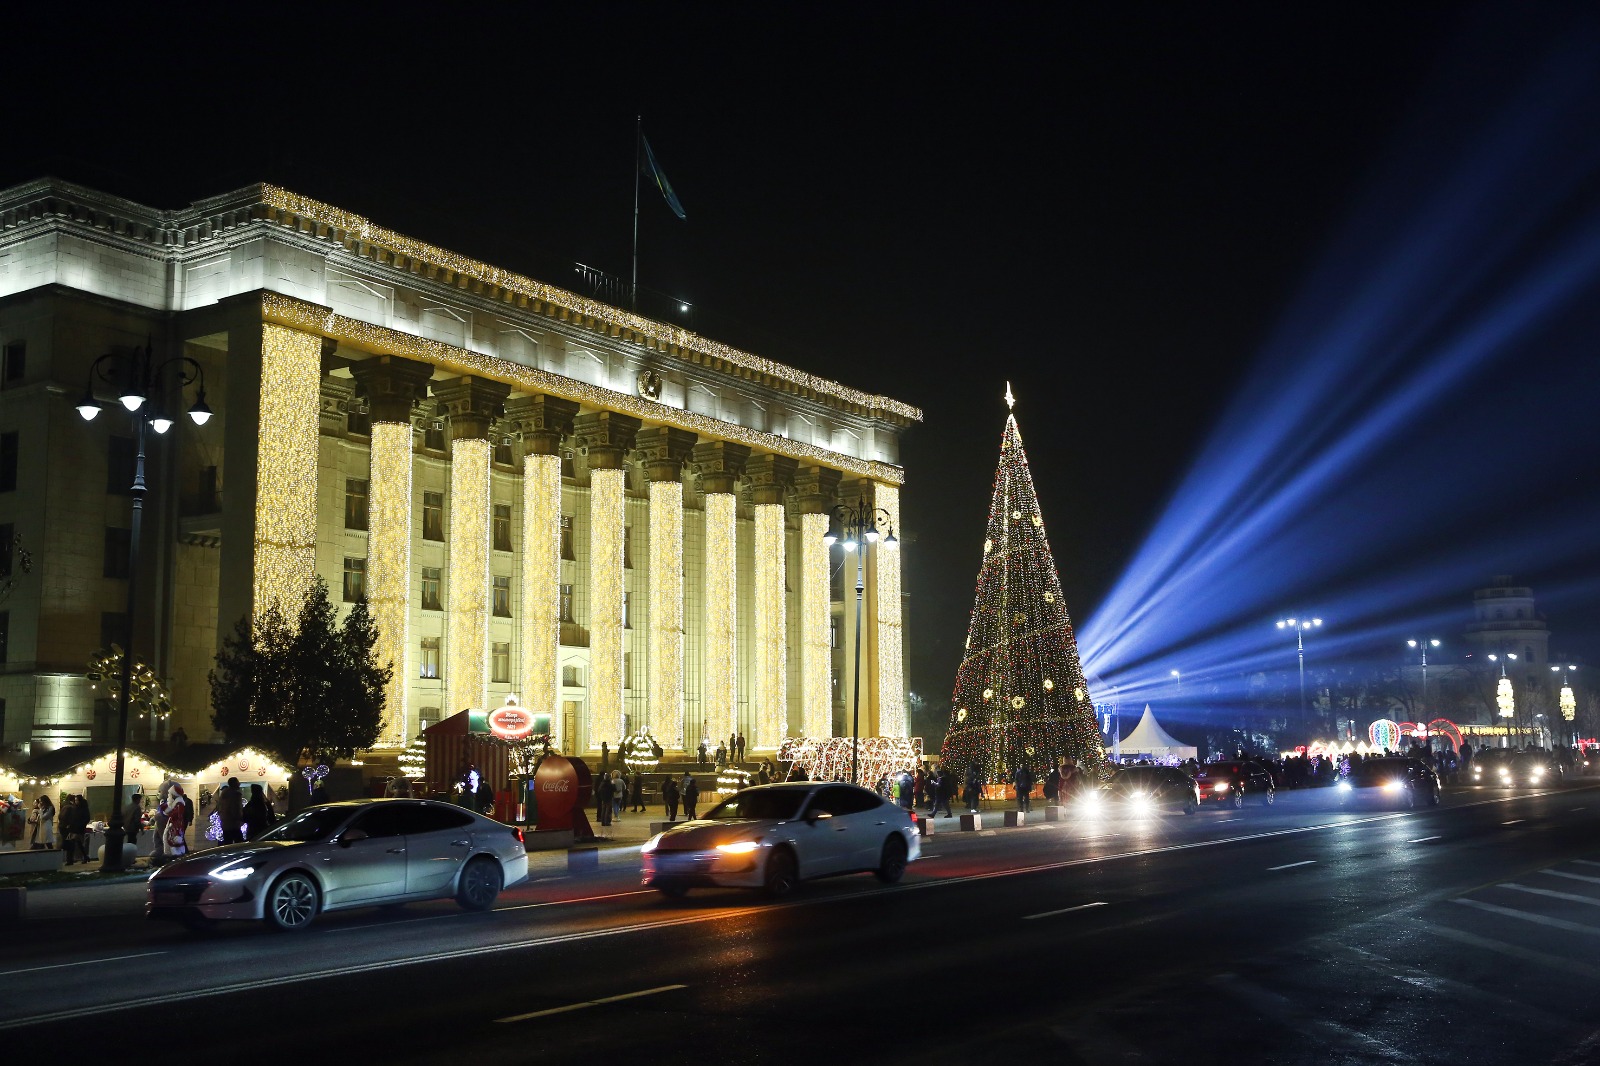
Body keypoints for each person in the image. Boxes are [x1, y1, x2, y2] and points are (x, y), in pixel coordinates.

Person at [163, 785, 189, 859]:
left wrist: (165, 809)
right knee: (173, 842)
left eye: (170, 794)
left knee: (174, 842)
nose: (169, 796)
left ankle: (174, 858)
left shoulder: (179, 804)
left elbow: (175, 815)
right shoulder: (176, 803)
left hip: (175, 826)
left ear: (174, 794)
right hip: (174, 825)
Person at [217, 776, 245, 844]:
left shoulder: (224, 794)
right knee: (240, 844)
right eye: (238, 782)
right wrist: (241, 818)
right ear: (234, 784)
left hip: (225, 824)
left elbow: (220, 808)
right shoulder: (236, 794)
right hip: (234, 824)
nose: (239, 784)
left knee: (227, 843)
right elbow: (235, 809)